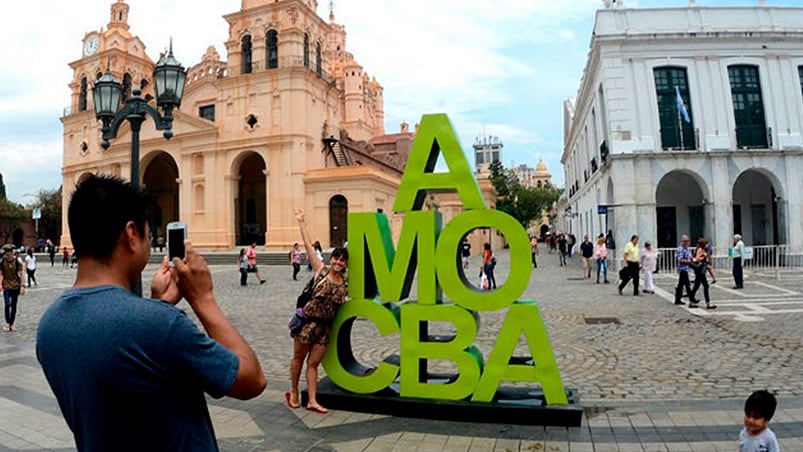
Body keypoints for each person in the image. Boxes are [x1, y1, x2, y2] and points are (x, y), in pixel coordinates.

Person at [36, 174, 267, 450]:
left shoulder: (49, 326)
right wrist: (203, 299)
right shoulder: (158, 325)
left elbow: (127, 384)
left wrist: (159, 305)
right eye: (148, 233)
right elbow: (251, 380)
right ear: (131, 234)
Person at [288, 207, 349, 414]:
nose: (338, 262)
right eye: (336, 258)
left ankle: (312, 400)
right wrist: (301, 221)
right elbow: (307, 246)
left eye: (342, 260)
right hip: (307, 324)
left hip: (325, 328)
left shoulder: (345, 283)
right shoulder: (320, 270)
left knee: (313, 364)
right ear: (331, 259)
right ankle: (294, 391)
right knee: (298, 358)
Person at [1, 244, 25, 331]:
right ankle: (7, 322)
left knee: (14, 305)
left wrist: (23, 285)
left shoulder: (17, 263)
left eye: (9, 252)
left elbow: (21, 274)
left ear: (12, 253)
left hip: (15, 286)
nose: (8, 254)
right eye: (6, 252)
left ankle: (12, 324)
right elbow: (1, 274)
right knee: (7, 304)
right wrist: (0, 284)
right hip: (6, 286)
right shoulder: (2, 262)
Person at [690, 237, 716, 309]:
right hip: (700, 270)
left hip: (700, 270)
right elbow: (697, 258)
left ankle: (691, 301)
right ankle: (708, 303)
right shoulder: (700, 249)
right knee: (705, 286)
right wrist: (703, 256)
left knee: (697, 285)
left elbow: (709, 260)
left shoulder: (704, 250)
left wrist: (707, 253)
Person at [674, 235, 698, 306]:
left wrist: (692, 259)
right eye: (685, 241)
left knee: (681, 285)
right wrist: (689, 262)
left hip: (686, 269)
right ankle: (692, 299)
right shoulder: (680, 249)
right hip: (682, 269)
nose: (687, 243)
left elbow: (689, 257)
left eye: (688, 241)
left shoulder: (687, 249)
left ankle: (677, 299)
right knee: (687, 285)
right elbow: (680, 260)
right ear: (682, 241)